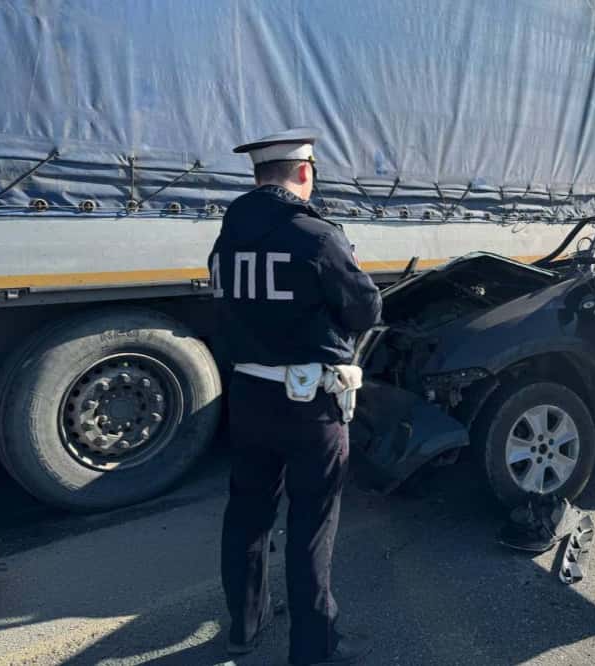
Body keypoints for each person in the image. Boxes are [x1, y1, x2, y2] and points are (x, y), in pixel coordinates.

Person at [210, 128, 381, 665]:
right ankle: (314, 649)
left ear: (259, 176)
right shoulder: (317, 235)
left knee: (247, 513)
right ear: (304, 172)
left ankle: (244, 623)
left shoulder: (228, 234)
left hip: (248, 398)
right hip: (308, 407)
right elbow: (366, 311)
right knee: (311, 523)